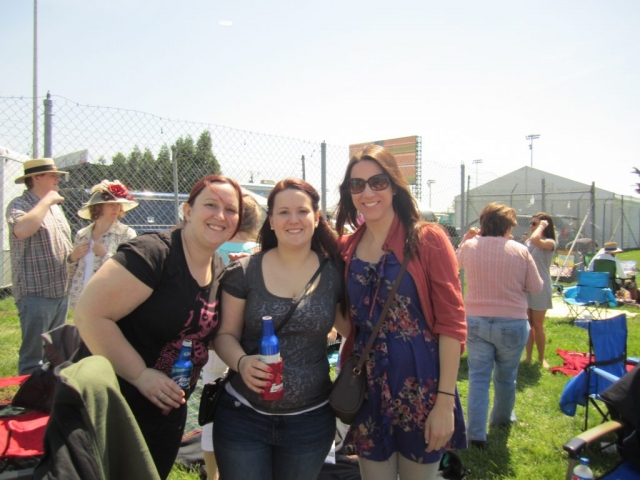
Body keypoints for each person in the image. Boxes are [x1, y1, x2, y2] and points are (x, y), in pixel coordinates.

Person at [74, 174, 243, 479]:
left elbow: (206, 333)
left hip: (166, 410)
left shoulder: (218, 267)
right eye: (210, 205)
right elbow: (89, 314)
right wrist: (140, 374)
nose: (221, 216)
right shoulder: (153, 253)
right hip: (115, 408)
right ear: (187, 211)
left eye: (231, 210)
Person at [333, 144, 467, 480]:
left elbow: (452, 324)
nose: (367, 192)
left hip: (423, 386)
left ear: (394, 186)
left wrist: (444, 402)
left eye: (377, 182)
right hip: (368, 388)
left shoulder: (428, 239)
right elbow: (352, 328)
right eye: (357, 184)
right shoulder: (345, 249)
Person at [212, 178, 349, 480]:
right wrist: (241, 362)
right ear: (271, 220)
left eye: (302, 211)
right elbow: (224, 336)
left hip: (311, 422)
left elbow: (352, 330)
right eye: (283, 212)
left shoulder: (334, 274)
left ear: (316, 217)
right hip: (243, 416)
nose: (293, 220)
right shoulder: (244, 272)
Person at [456, 202, 543, 449]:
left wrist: (465, 239)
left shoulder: (470, 247)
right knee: (506, 376)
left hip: (476, 321)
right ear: (508, 226)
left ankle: (475, 433)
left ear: (483, 223)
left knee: (478, 378)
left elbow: (454, 263)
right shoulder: (520, 250)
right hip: (512, 322)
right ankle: (502, 421)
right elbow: (535, 287)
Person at [201, 192, 262, 480]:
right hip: (249, 341)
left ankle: (212, 473)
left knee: (210, 402)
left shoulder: (212, 248)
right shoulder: (261, 251)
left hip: (215, 338)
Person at [6, 158, 73, 375]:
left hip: (59, 290)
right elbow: (22, 230)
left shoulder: (54, 208)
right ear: (36, 177)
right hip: (35, 291)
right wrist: (46, 201)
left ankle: (47, 391)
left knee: (54, 353)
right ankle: (28, 393)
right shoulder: (19, 204)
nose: (58, 179)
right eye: (53, 175)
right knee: (33, 356)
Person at [67, 180, 139, 309]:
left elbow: (130, 271)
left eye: (118, 204)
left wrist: (105, 254)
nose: (116, 208)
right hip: (81, 299)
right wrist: (73, 257)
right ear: (98, 207)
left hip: (109, 301)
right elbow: (69, 274)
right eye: (111, 204)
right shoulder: (82, 235)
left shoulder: (126, 234)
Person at [523, 213, 557, 368]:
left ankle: (541, 358)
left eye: (534, 224)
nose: (531, 226)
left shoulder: (549, 242)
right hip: (526, 287)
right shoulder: (528, 243)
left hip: (541, 287)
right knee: (528, 323)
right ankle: (528, 357)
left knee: (538, 324)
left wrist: (542, 226)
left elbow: (536, 240)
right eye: (531, 223)